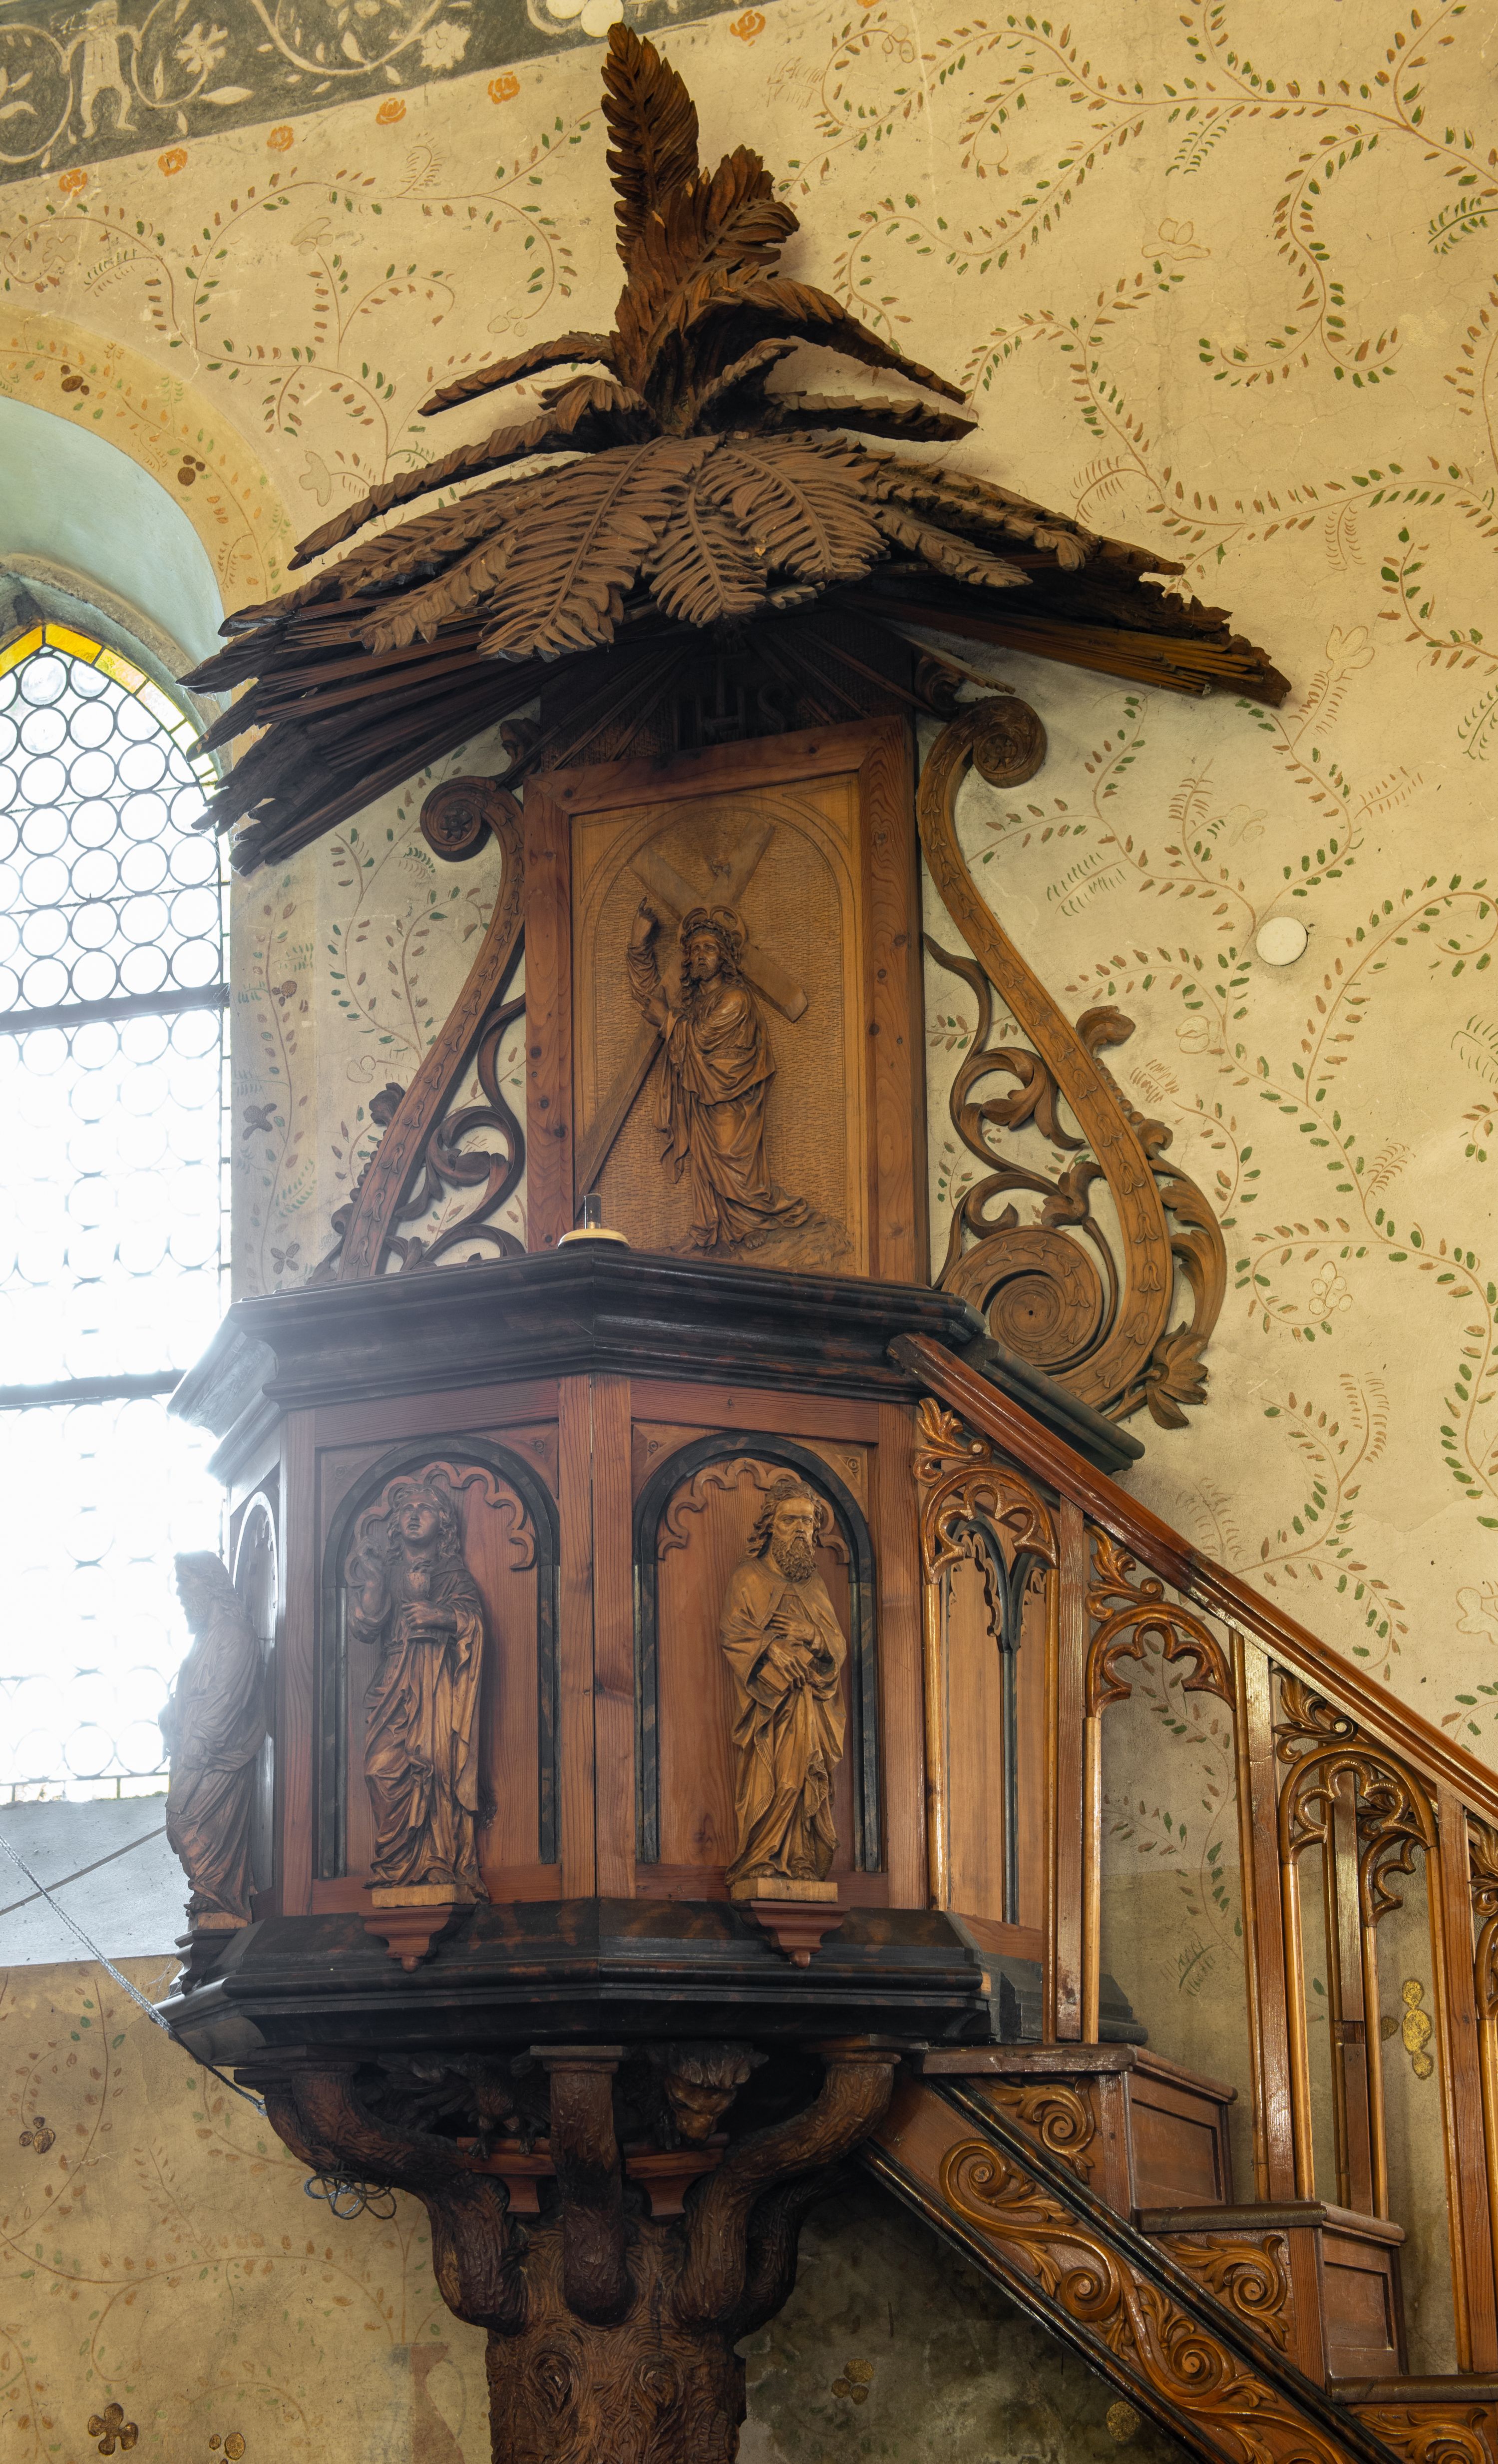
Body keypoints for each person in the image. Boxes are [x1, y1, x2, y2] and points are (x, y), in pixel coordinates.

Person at [626, 899, 809, 1251]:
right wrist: (639, 946)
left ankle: (752, 1221)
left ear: (724, 957)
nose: (700, 956)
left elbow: (699, 1038)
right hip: (701, 1097)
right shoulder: (692, 1004)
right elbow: (651, 1003)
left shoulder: (736, 999)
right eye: (694, 950)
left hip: (732, 1099)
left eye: (709, 949)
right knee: (706, 1167)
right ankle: (708, 1227)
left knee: (732, 1158)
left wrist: (668, 1020)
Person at [346, 1469, 487, 1897]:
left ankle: (437, 1861)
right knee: (380, 1770)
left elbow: (473, 1623)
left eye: (424, 1509)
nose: (413, 1515)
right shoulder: (389, 1573)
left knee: (434, 1765)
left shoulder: (453, 1574)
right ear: (394, 1524)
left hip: (437, 1686)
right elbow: (366, 1627)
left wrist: (439, 1615)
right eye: (406, 1509)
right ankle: (395, 1865)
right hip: (393, 1681)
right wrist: (373, 1583)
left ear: (442, 1523)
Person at [718, 1476, 846, 1892]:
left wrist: (813, 1636)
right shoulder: (748, 1578)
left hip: (809, 1705)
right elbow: (733, 1632)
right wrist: (772, 1648)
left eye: (808, 1522)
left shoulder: (814, 1585)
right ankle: (760, 1858)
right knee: (776, 1781)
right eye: (790, 1520)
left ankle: (802, 1859)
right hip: (769, 1710)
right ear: (771, 1525)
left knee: (804, 1780)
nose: (800, 1530)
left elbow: (837, 1646)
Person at [160, 1552, 265, 1925]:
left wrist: (200, 1742)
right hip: (193, 1749)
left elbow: (226, 1697)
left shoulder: (235, 1635)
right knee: (178, 1823)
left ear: (209, 1584)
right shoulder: (204, 1640)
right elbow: (189, 1696)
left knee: (189, 1824)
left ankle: (219, 1897)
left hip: (217, 1754)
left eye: (185, 1582)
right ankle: (210, 1896)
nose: (179, 1592)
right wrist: (170, 1715)